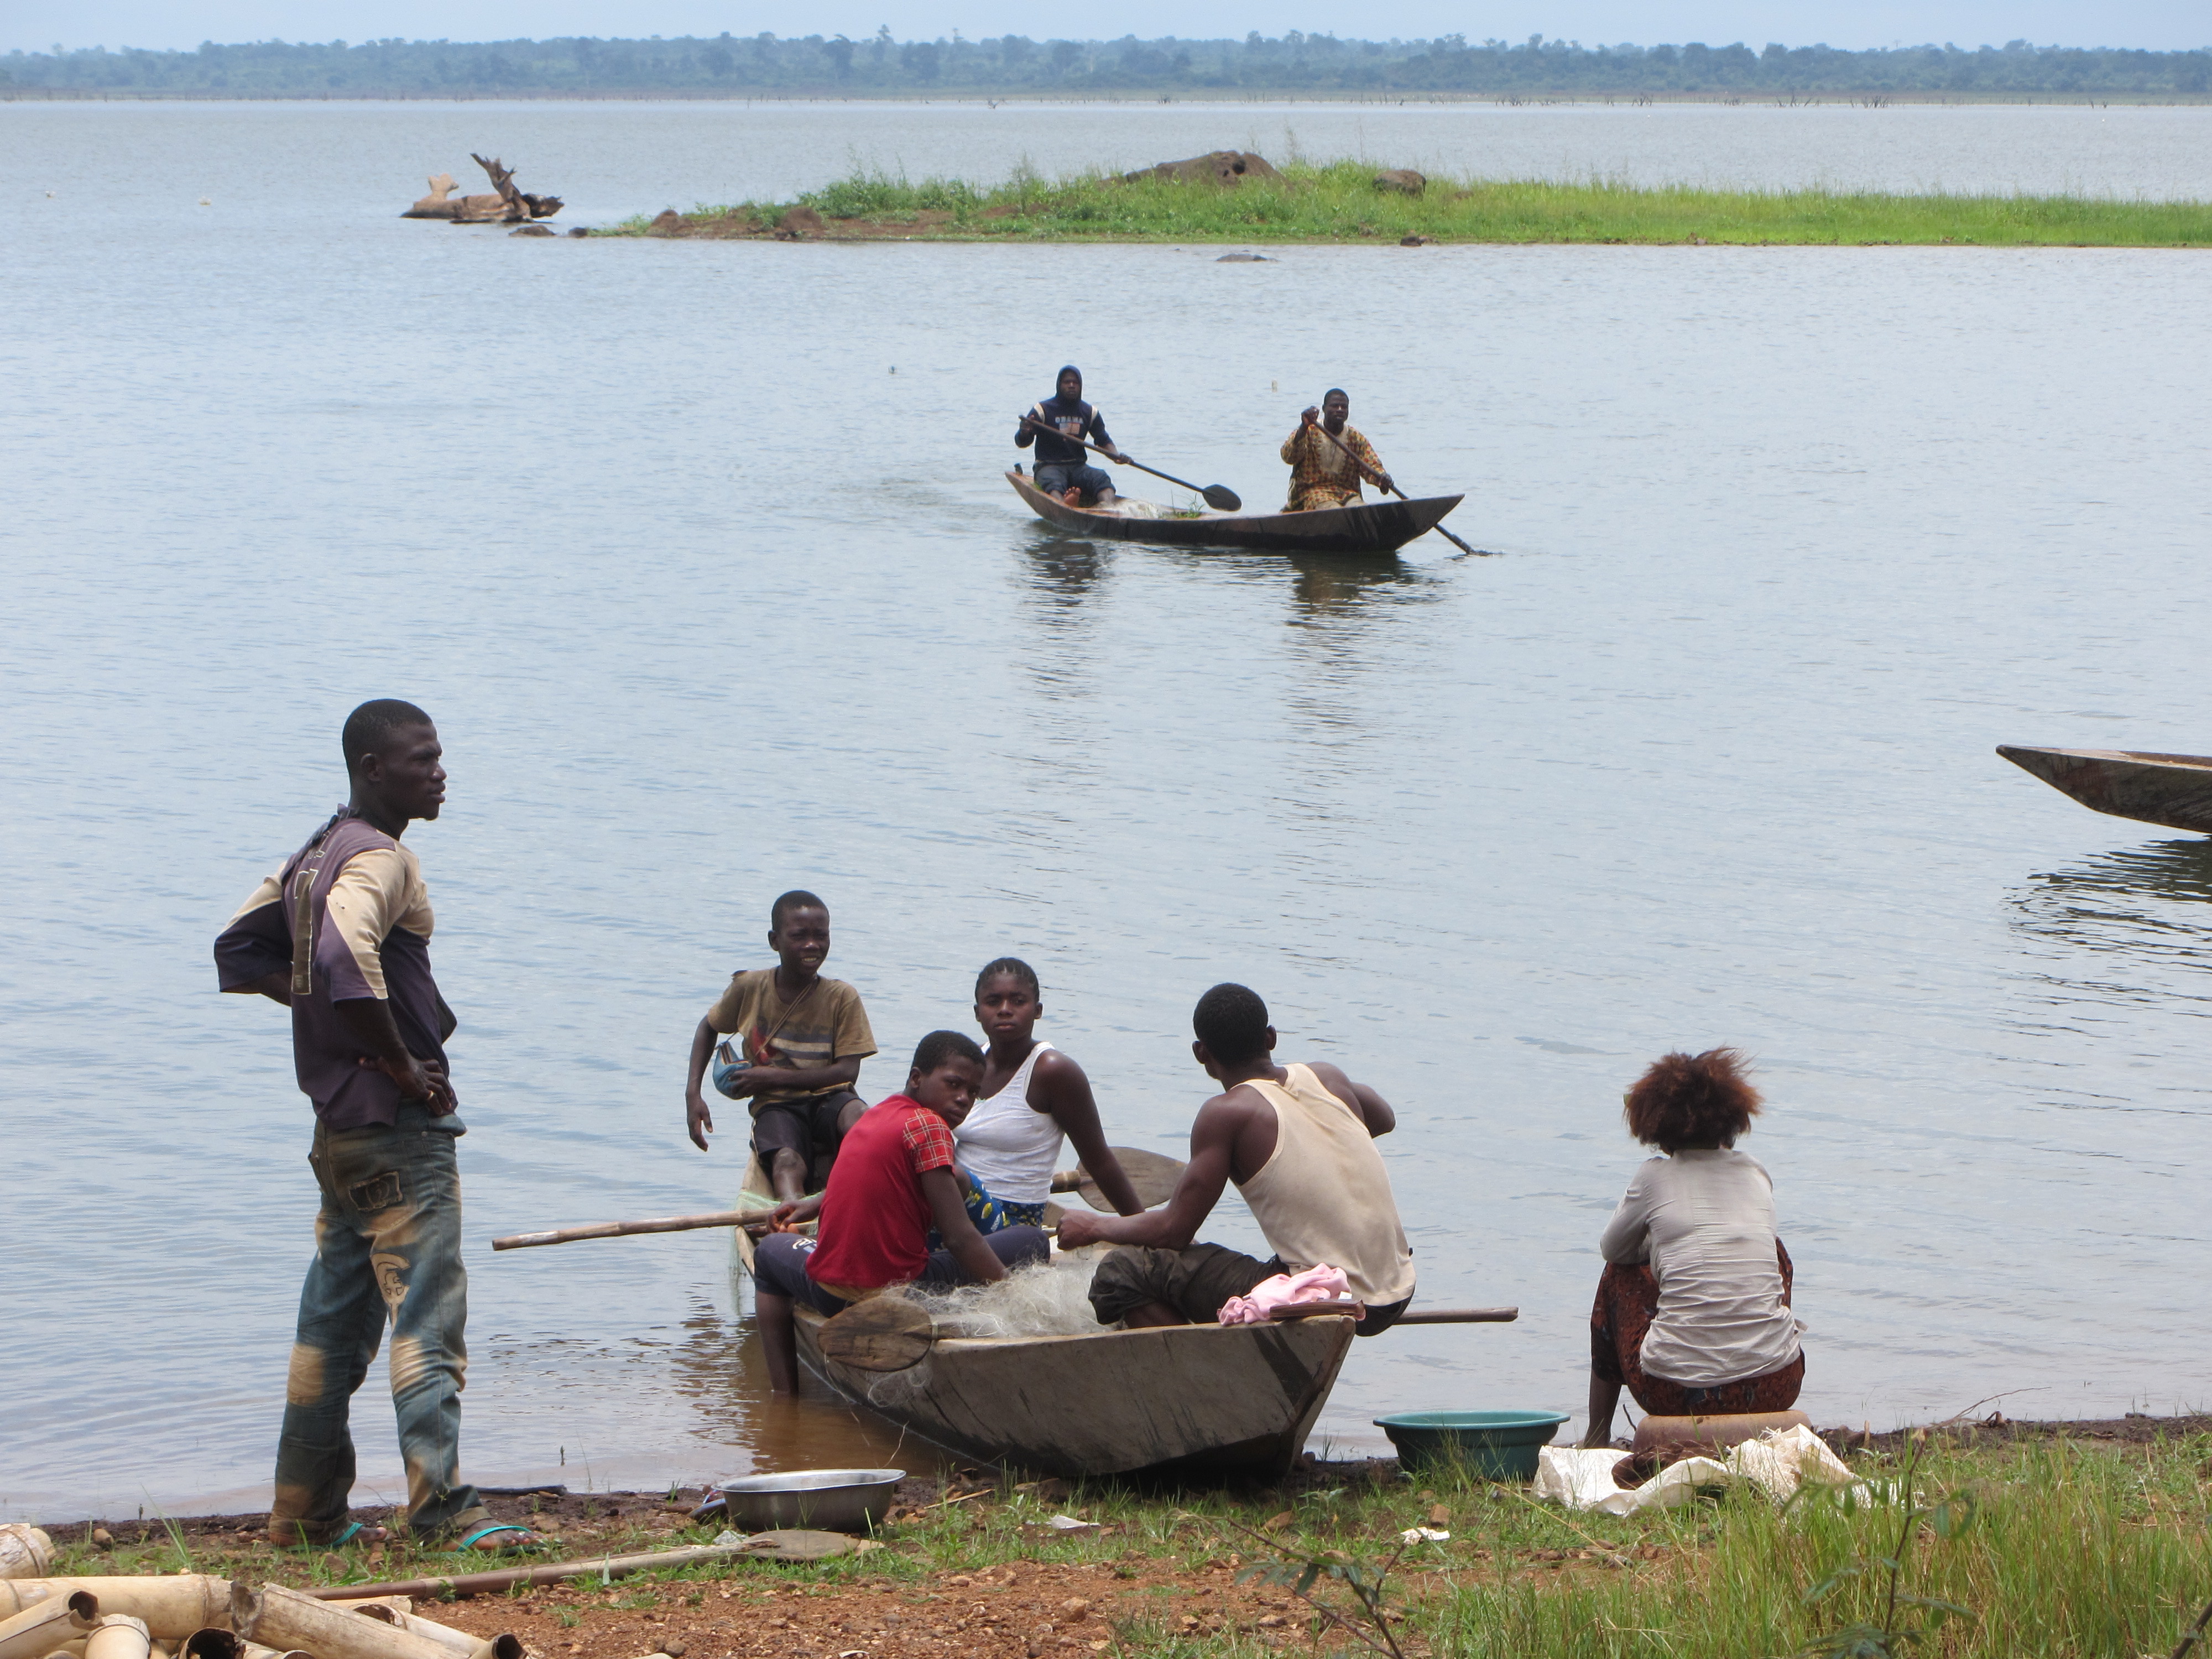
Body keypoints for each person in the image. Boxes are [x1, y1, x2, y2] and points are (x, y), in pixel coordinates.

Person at [213, 700, 541, 1555]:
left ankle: (304, 1514)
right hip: (397, 1129)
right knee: (429, 1320)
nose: (439, 771)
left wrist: (331, 1021)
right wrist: (397, 1063)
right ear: (371, 767)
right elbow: (333, 956)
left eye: (439, 756)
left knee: (332, 1328)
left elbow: (242, 950)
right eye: (422, 758)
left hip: (339, 1138)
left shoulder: (315, 854)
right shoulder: (382, 858)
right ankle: (443, 1512)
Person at [1056, 983, 1416, 1336]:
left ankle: (1198, 1380)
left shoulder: (1226, 1115)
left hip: (1328, 1298)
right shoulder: (1327, 1076)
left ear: (1201, 1053)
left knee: (1122, 1272)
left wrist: (1093, 1228)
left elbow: (1175, 1231)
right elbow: (1385, 1119)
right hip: (1397, 1290)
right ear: (1270, 1037)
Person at [752, 1031, 1051, 1392]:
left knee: (768, 1254)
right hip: (900, 1295)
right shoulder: (930, 1126)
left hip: (828, 1294)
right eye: (953, 1085)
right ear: (917, 1078)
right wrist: (1015, 1293)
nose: (963, 1100)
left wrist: (815, 1201)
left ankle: (784, 1397)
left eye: (973, 1093)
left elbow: (868, 1174)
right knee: (1033, 1240)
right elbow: (959, 1238)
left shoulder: (875, 1115)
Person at [1582, 1047, 1805, 1448]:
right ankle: (1762, 1340)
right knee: (1776, 1254)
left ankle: (1597, 1435)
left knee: (1616, 1274)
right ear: (1732, 1120)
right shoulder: (1755, 1173)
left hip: (1673, 1391)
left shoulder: (1653, 1177)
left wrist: (1658, 1248)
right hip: (1777, 1382)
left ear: (1656, 1126)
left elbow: (1612, 1247)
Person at [684, 891, 877, 1203]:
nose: (812, 945)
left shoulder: (842, 997)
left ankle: (864, 1197)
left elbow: (847, 1071)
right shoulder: (750, 988)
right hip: (776, 1106)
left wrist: (771, 1077)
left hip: (831, 1097)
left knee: (862, 1120)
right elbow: (708, 1027)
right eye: (799, 936)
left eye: (821, 936)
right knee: (787, 1161)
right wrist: (693, 1094)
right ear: (775, 941)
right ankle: (794, 1224)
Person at [958, 957, 1146, 1227]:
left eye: (1018, 1001)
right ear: (978, 1012)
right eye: (993, 1001)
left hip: (1011, 1218)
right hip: (956, 1203)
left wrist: (1143, 1228)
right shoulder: (969, 1062)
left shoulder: (1054, 1072)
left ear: (1038, 1010)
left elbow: (1099, 1161)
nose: (1005, 1010)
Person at [1014, 365, 1130, 507]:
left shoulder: (1090, 412)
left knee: (1101, 478)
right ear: (1059, 385)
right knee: (1054, 483)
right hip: (1049, 466)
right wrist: (1024, 432)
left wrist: (1116, 456)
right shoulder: (1042, 410)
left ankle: (1109, 508)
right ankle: (1063, 506)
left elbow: (1103, 440)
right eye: (1067, 382)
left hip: (1078, 467)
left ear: (1081, 386)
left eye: (1075, 383)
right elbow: (1022, 443)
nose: (1071, 386)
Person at [1280, 389, 1394, 513]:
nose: (1340, 410)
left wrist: (1382, 478)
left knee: (1361, 509)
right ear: (1324, 409)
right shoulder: (1308, 431)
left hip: (1347, 493)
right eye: (1335, 406)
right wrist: (1303, 427)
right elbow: (1288, 456)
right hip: (1312, 494)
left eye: (1344, 407)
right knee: (1333, 509)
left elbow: (1372, 465)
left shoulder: (1355, 437)